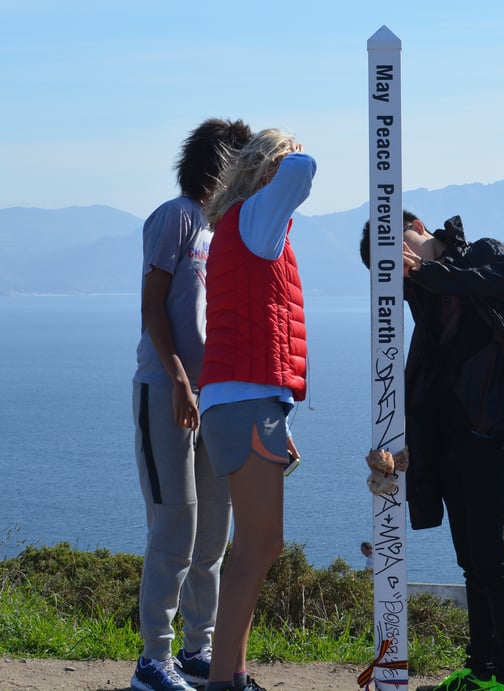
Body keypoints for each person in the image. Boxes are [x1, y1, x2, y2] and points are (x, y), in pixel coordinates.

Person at [360, 213, 504, 691]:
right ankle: (481, 672)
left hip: (496, 431)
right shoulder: (424, 296)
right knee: (472, 564)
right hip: (455, 439)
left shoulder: (478, 253)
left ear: (412, 227)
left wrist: (427, 272)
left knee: (493, 558)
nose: (393, 275)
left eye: (389, 261)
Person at [131, 118, 253, 691]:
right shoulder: (177, 216)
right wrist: (180, 378)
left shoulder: (218, 228)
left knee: (212, 534)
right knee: (175, 526)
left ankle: (197, 649)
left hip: (216, 399)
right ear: (217, 164)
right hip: (165, 389)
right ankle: (153, 660)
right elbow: (153, 305)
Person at [197, 129, 317, 691]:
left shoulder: (243, 223)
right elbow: (302, 172)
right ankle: (225, 682)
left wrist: (280, 414)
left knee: (251, 547)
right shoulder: (257, 218)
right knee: (258, 547)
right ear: (268, 168)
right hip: (245, 403)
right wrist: (287, 153)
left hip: (248, 403)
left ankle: (234, 676)